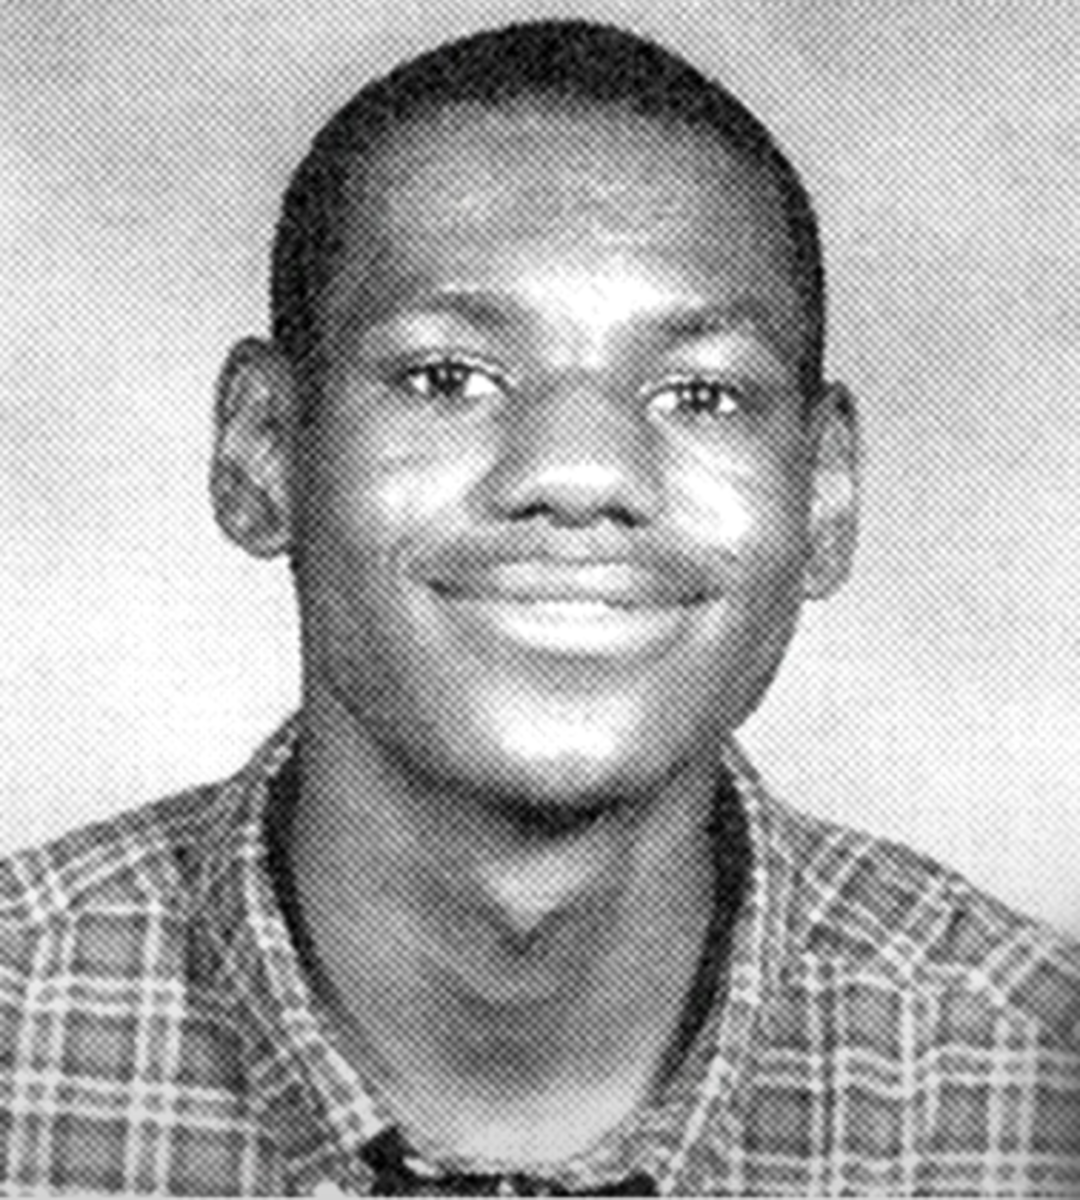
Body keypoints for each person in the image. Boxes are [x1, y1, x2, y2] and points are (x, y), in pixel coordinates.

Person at [1, 19, 1078, 1197]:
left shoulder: (1032, 1080)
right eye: (447, 378)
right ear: (265, 450)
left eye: (701, 394)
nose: (579, 472)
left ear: (822, 498)